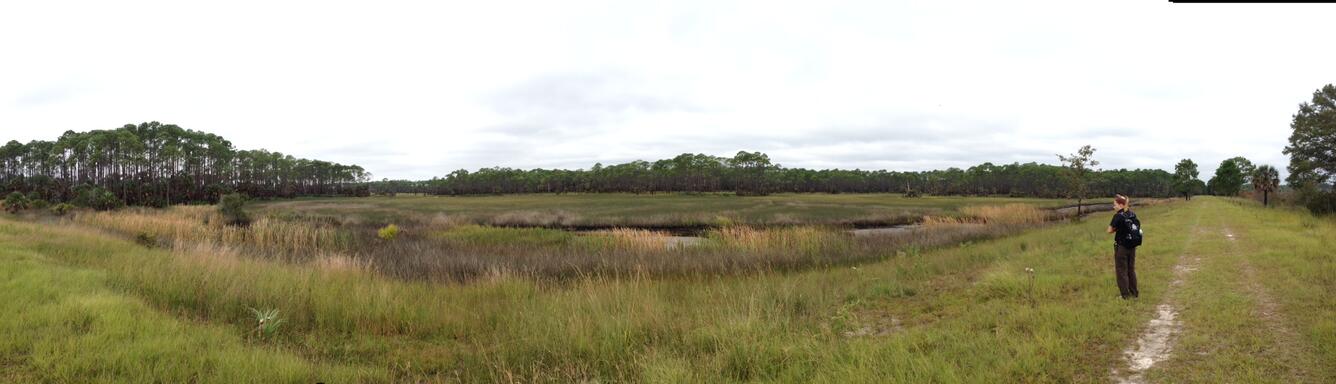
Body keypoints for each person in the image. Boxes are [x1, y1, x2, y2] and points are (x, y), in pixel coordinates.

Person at [1106, 194, 1140, 299]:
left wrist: (1118, 228)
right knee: (1131, 269)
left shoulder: (1118, 216)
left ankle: (1125, 295)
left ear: (1121, 205)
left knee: (1121, 271)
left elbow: (1109, 231)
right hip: (1132, 246)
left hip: (1121, 247)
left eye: (1115, 204)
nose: (1114, 207)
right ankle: (1134, 293)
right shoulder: (1132, 214)